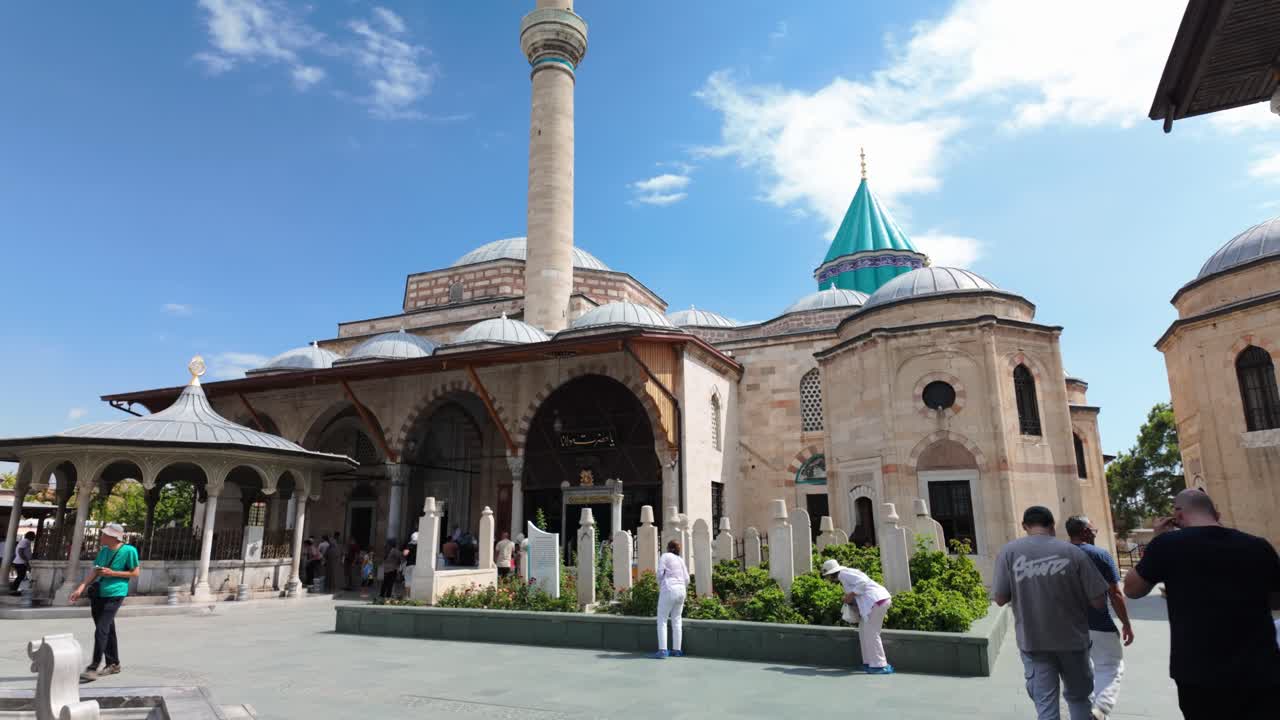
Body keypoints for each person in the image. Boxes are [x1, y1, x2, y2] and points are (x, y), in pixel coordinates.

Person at [1123, 489, 1280, 720]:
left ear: (1178, 514)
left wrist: (1157, 538)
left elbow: (1132, 589)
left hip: (1198, 672)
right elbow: (1276, 599)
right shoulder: (1257, 545)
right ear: (1216, 513)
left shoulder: (1166, 545)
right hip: (1259, 669)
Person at [994, 506, 1109, 720]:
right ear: (1052, 525)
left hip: (1033, 641)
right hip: (1073, 641)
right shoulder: (1074, 553)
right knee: (1079, 699)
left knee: (1045, 705)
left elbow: (1000, 598)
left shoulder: (1009, 552)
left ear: (1024, 526)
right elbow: (1099, 601)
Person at [1064, 515, 1134, 720]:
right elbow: (1115, 594)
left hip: (1067, 626)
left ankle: (1086, 714)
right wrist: (1126, 624)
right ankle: (1101, 709)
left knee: (1082, 672)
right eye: (1093, 529)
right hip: (1098, 624)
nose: (1096, 532)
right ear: (1085, 531)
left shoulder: (1059, 555)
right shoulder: (1100, 555)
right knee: (1111, 666)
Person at [68, 523, 139, 681]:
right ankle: (113, 663)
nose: (101, 536)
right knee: (107, 629)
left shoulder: (129, 551)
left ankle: (94, 666)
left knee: (101, 629)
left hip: (116, 592)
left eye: (104, 534)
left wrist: (113, 573)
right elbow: (95, 571)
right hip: (99, 593)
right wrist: (81, 588)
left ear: (113, 537)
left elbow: (135, 572)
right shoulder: (104, 551)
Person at [821, 558, 893, 674]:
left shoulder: (844, 573)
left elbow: (863, 582)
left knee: (871, 632)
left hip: (877, 601)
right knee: (864, 631)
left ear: (831, 573)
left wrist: (851, 595)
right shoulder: (843, 577)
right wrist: (850, 600)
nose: (828, 579)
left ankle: (880, 665)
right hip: (874, 603)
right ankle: (869, 662)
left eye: (827, 576)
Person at [654, 539, 689, 659]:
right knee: (677, 619)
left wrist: (661, 584)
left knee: (662, 619)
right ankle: (677, 650)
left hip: (669, 588)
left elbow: (659, 573)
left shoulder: (665, 556)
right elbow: (687, 578)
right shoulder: (680, 559)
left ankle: (663, 650)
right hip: (682, 590)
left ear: (668, 548)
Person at [10, 531, 35, 595]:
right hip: (20, 562)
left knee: (21, 576)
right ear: (30, 536)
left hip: (20, 562)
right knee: (20, 576)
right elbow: (20, 551)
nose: (34, 537)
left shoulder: (27, 542)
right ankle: (13, 590)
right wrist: (25, 560)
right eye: (33, 536)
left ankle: (14, 589)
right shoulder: (25, 541)